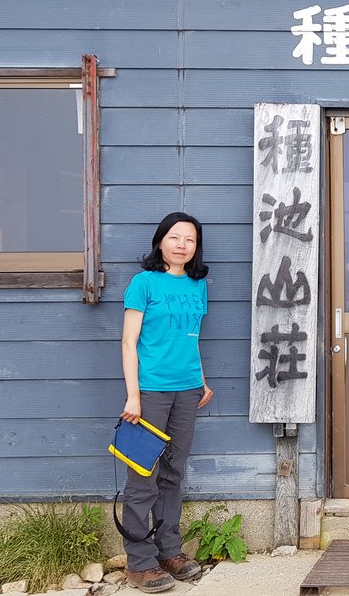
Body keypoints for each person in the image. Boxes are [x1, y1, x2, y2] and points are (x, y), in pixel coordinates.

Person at [120, 212, 214, 594]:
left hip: (187, 390)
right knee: (143, 475)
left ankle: (169, 551)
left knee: (174, 472)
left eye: (189, 240)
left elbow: (191, 338)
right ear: (161, 241)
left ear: (195, 248)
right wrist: (133, 395)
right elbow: (129, 342)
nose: (181, 245)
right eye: (174, 237)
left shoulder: (197, 286)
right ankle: (138, 562)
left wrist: (202, 380)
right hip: (151, 392)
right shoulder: (143, 283)